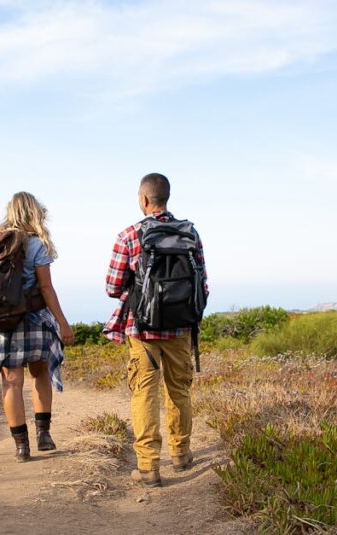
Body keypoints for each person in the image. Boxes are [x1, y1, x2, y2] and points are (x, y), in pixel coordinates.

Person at [103, 173, 208, 487]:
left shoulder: (129, 235)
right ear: (167, 198)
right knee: (179, 390)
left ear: (144, 199)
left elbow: (112, 287)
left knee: (144, 394)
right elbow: (202, 282)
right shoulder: (190, 233)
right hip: (180, 328)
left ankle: (149, 467)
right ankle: (181, 454)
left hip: (143, 330)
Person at [0, 192, 75, 462]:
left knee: (12, 382)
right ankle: (43, 434)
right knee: (40, 374)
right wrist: (63, 323)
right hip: (34, 319)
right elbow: (46, 288)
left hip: (4, 322)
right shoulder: (35, 245)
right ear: (34, 213)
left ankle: (21, 447)